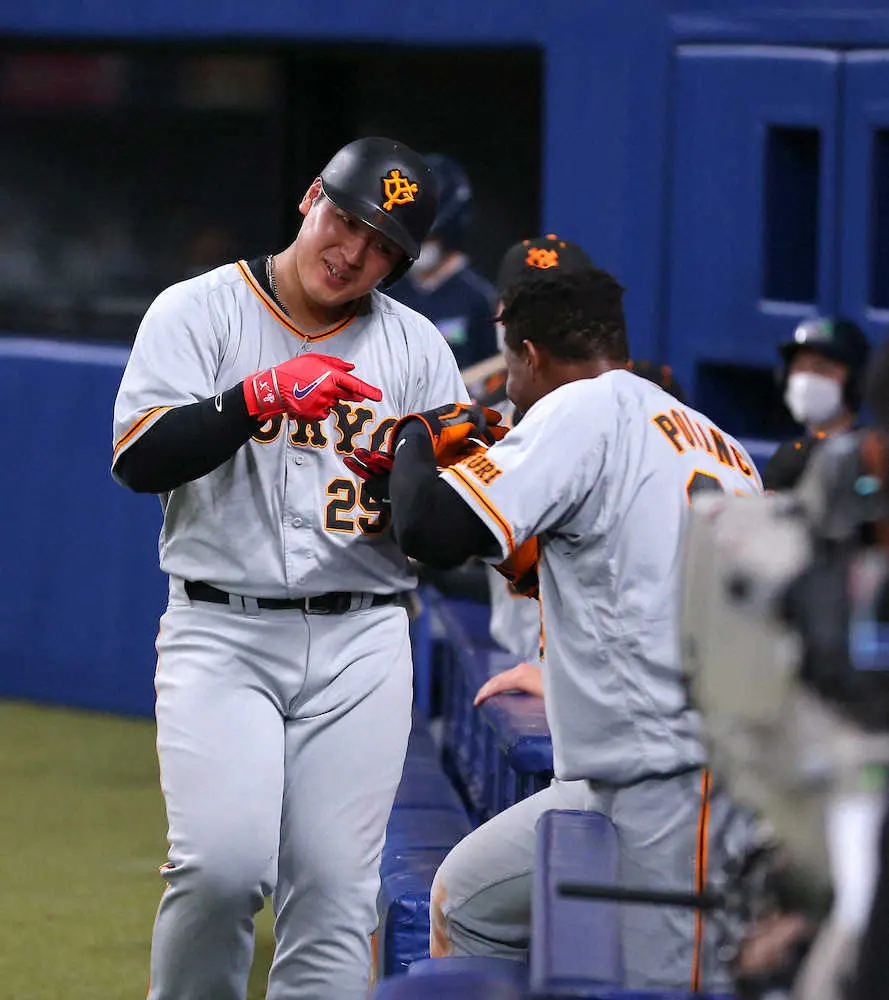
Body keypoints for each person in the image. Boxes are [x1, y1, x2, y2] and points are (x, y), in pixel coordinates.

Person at [111, 136, 472, 1000]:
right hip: (221, 629)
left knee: (337, 896)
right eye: (345, 221)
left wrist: (413, 486)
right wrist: (257, 396)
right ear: (311, 199)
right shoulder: (198, 311)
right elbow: (139, 459)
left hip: (363, 639)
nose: (352, 253)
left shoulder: (417, 348)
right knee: (220, 869)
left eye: (382, 247)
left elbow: (450, 532)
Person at [354, 266, 763, 989]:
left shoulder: (582, 409)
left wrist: (416, 436)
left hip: (679, 779)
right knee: (466, 898)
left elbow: (430, 530)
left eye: (510, 367)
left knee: (663, 988)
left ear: (530, 355)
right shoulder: (715, 439)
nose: (508, 389)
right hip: (639, 766)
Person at [386, 153, 498, 369]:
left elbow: (492, 372)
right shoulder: (387, 291)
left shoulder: (479, 298)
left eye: (427, 236)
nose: (416, 245)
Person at [763, 316, 870, 491]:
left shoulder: (872, 458)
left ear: (855, 381)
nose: (807, 379)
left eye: (821, 368)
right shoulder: (786, 459)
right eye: (799, 368)